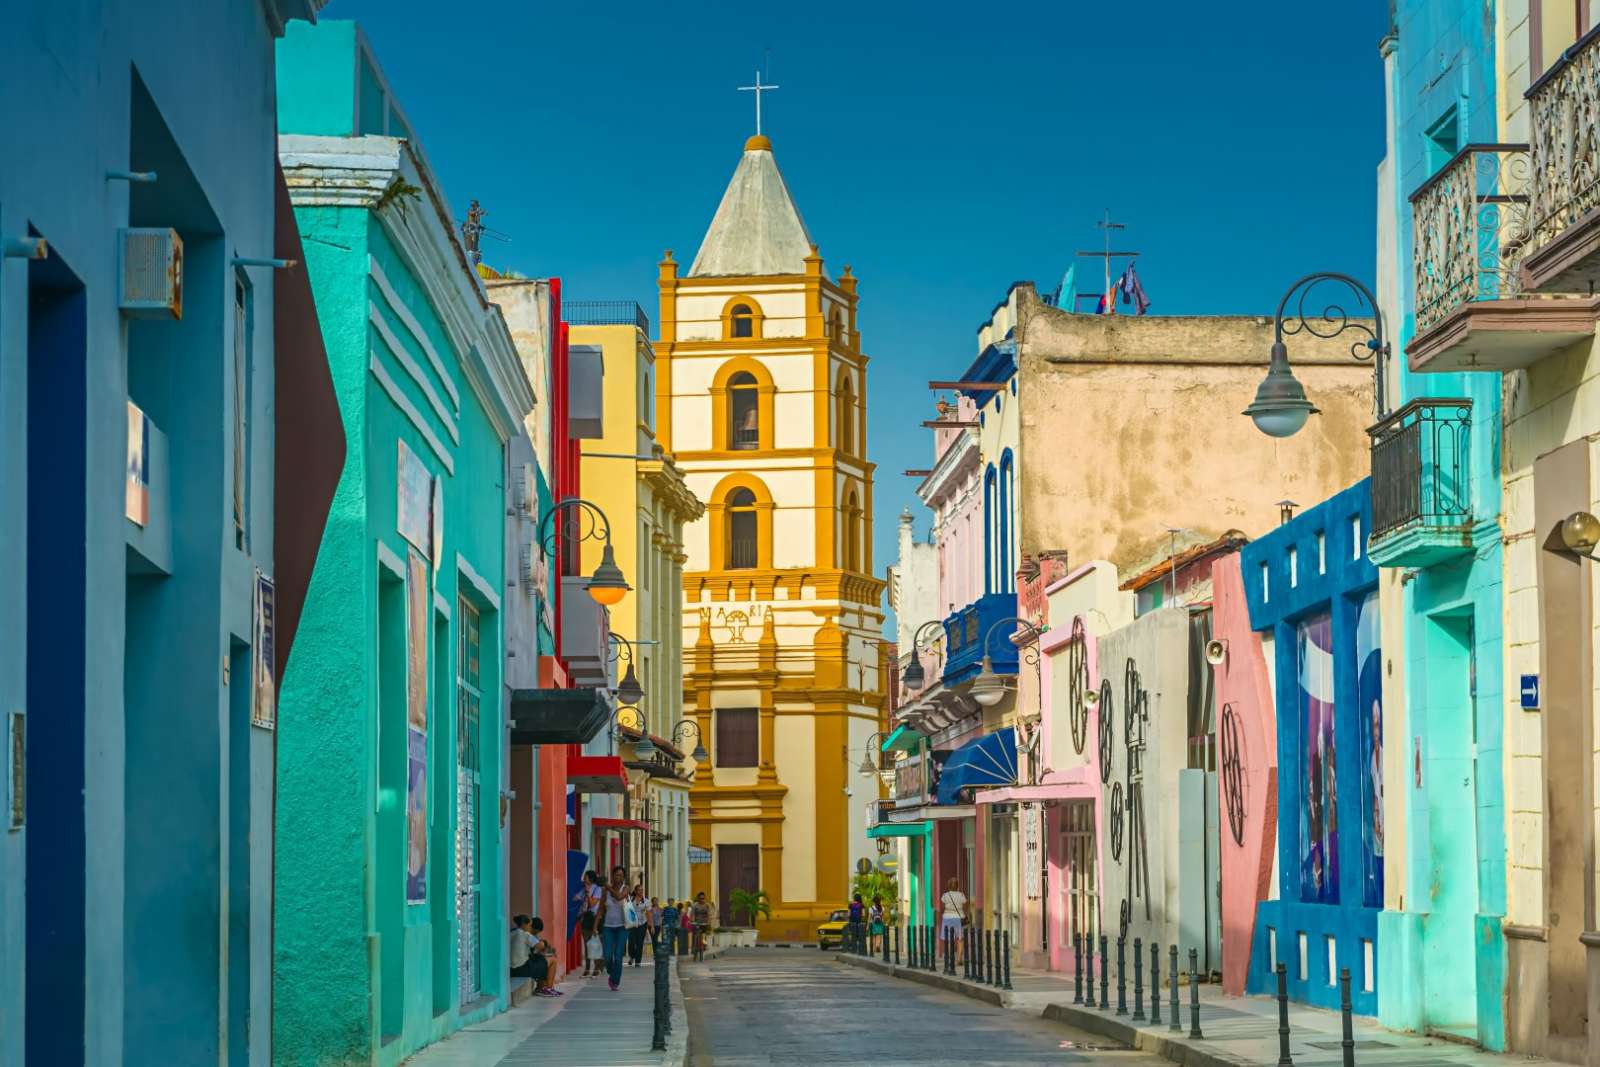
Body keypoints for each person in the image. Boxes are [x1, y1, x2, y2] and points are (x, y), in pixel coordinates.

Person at [599, 864, 631, 990]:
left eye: (621, 876)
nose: (619, 877)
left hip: (622, 927)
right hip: (608, 927)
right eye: (617, 875)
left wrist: (607, 886)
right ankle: (612, 973)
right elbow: (601, 909)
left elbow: (619, 897)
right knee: (607, 956)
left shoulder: (626, 888)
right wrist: (595, 926)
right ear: (613, 876)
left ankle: (615, 981)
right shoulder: (605, 891)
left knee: (618, 956)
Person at [576, 870, 602, 977]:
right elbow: (576, 899)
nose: (584, 879)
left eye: (586, 877)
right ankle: (587, 969)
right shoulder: (583, 889)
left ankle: (596, 969)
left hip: (595, 919)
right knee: (587, 945)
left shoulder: (597, 889)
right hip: (585, 919)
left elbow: (592, 904)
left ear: (591, 879)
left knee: (595, 944)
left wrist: (587, 893)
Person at [940, 878, 969, 963]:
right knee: (960, 939)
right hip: (958, 918)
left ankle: (950, 958)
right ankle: (959, 959)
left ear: (949, 886)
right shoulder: (961, 895)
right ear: (957, 886)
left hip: (947, 918)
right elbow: (965, 906)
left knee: (949, 939)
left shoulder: (945, 895)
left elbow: (942, 907)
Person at [627, 883, 649, 967]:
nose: (641, 891)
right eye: (639, 890)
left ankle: (637, 961)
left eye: (642, 890)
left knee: (640, 942)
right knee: (631, 942)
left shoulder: (646, 901)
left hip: (642, 924)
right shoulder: (630, 899)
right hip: (632, 924)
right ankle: (632, 956)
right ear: (635, 891)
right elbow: (626, 910)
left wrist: (651, 925)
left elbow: (649, 913)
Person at [691, 892, 713, 961]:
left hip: (704, 924)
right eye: (700, 898)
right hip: (697, 923)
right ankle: (694, 949)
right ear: (698, 898)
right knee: (695, 936)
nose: (702, 900)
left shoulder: (707, 905)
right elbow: (693, 915)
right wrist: (693, 921)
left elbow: (709, 915)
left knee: (703, 937)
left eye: (703, 898)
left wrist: (709, 922)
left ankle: (703, 946)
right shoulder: (695, 905)